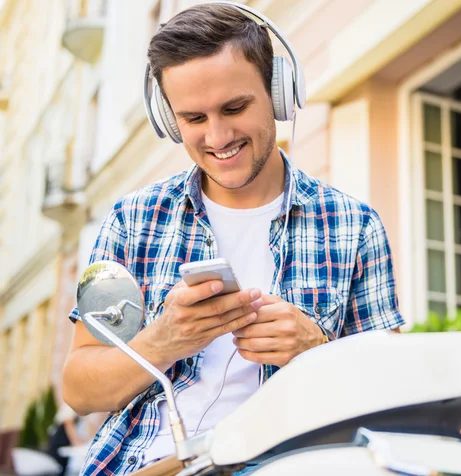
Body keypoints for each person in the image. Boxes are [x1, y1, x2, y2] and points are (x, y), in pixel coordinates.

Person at [62, 3, 403, 474]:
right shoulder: (133, 220)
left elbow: (398, 392)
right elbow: (80, 390)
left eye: (235, 108)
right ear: (168, 119)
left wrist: (319, 350)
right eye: (194, 119)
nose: (218, 136)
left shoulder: (354, 225)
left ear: (279, 93)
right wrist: (162, 341)